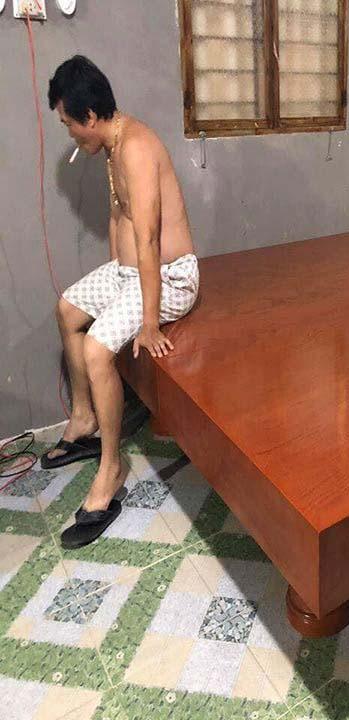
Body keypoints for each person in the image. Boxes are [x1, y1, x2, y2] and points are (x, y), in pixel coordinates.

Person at [42, 55, 199, 548]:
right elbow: (120, 219)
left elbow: (148, 238)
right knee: (68, 309)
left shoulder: (136, 147)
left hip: (170, 278)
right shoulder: (111, 146)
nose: (70, 135)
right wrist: (114, 274)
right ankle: (83, 417)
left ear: (90, 116)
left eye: (69, 124)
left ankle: (111, 468)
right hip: (131, 273)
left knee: (96, 349)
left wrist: (148, 322)